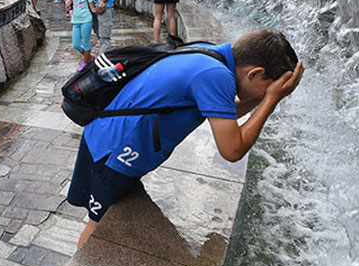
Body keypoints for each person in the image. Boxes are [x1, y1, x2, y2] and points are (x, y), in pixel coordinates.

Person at [67, 29, 304, 248]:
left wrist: (267, 94)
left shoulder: (210, 55)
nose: (266, 94)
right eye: (266, 88)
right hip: (113, 153)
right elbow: (232, 150)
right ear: (255, 73)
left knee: (102, 223)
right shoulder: (215, 75)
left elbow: (224, 114)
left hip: (107, 136)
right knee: (99, 230)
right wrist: (271, 100)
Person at [65, 0, 95, 69]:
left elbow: (92, 8)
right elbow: (68, 5)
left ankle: (85, 63)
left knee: (86, 42)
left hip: (86, 20)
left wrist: (100, 8)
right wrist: (68, 5)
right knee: (76, 45)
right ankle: (89, 57)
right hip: (76, 21)